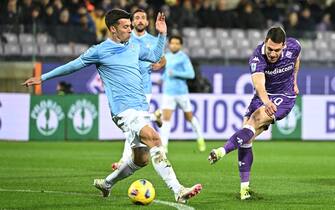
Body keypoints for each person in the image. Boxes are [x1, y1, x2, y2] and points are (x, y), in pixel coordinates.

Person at [22, 8, 202, 203]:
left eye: (130, 26)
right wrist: (43, 77)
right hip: (123, 111)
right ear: (113, 29)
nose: (130, 30)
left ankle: (106, 183)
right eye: (126, 27)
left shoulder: (133, 44)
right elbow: (72, 65)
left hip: (141, 108)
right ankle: (178, 190)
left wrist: (162, 33)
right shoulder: (100, 51)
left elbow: (155, 55)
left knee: (141, 159)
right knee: (154, 138)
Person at [208, 27, 301, 200]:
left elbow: (297, 59)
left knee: (256, 119)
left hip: (285, 96)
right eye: (270, 49)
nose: (273, 54)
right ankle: (244, 190)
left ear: (284, 46)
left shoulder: (294, 46)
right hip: (263, 95)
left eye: (277, 50)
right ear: (265, 42)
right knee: (245, 138)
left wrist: (295, 80)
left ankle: (221, 151)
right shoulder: (257, 57)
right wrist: (266, 102)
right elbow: (259, 85)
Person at [111, 8, 166, 170]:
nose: (140, 20)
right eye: (137, 18)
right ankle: (154, 118)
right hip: (128, 87)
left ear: (147, 22)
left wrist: (159, 65)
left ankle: (124, 160)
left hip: (145, 88)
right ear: (132, 22)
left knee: (133, 125)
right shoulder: (126, 38)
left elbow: (162, 58)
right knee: (134, 125)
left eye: (143, 18)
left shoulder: (153, 40)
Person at [160, 35, 206, 153]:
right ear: (169, 44)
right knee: (165, 119)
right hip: (168, 92)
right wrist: (163, 77)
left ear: (180, 45)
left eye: (176, 43)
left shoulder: (184, 58)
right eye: (172, 43)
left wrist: (174, 73)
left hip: (181, 93)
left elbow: (191, 74)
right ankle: (163, 146)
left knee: (189, 117)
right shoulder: (167, 56)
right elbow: (167, 72)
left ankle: (200, 138)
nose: (174, 45)